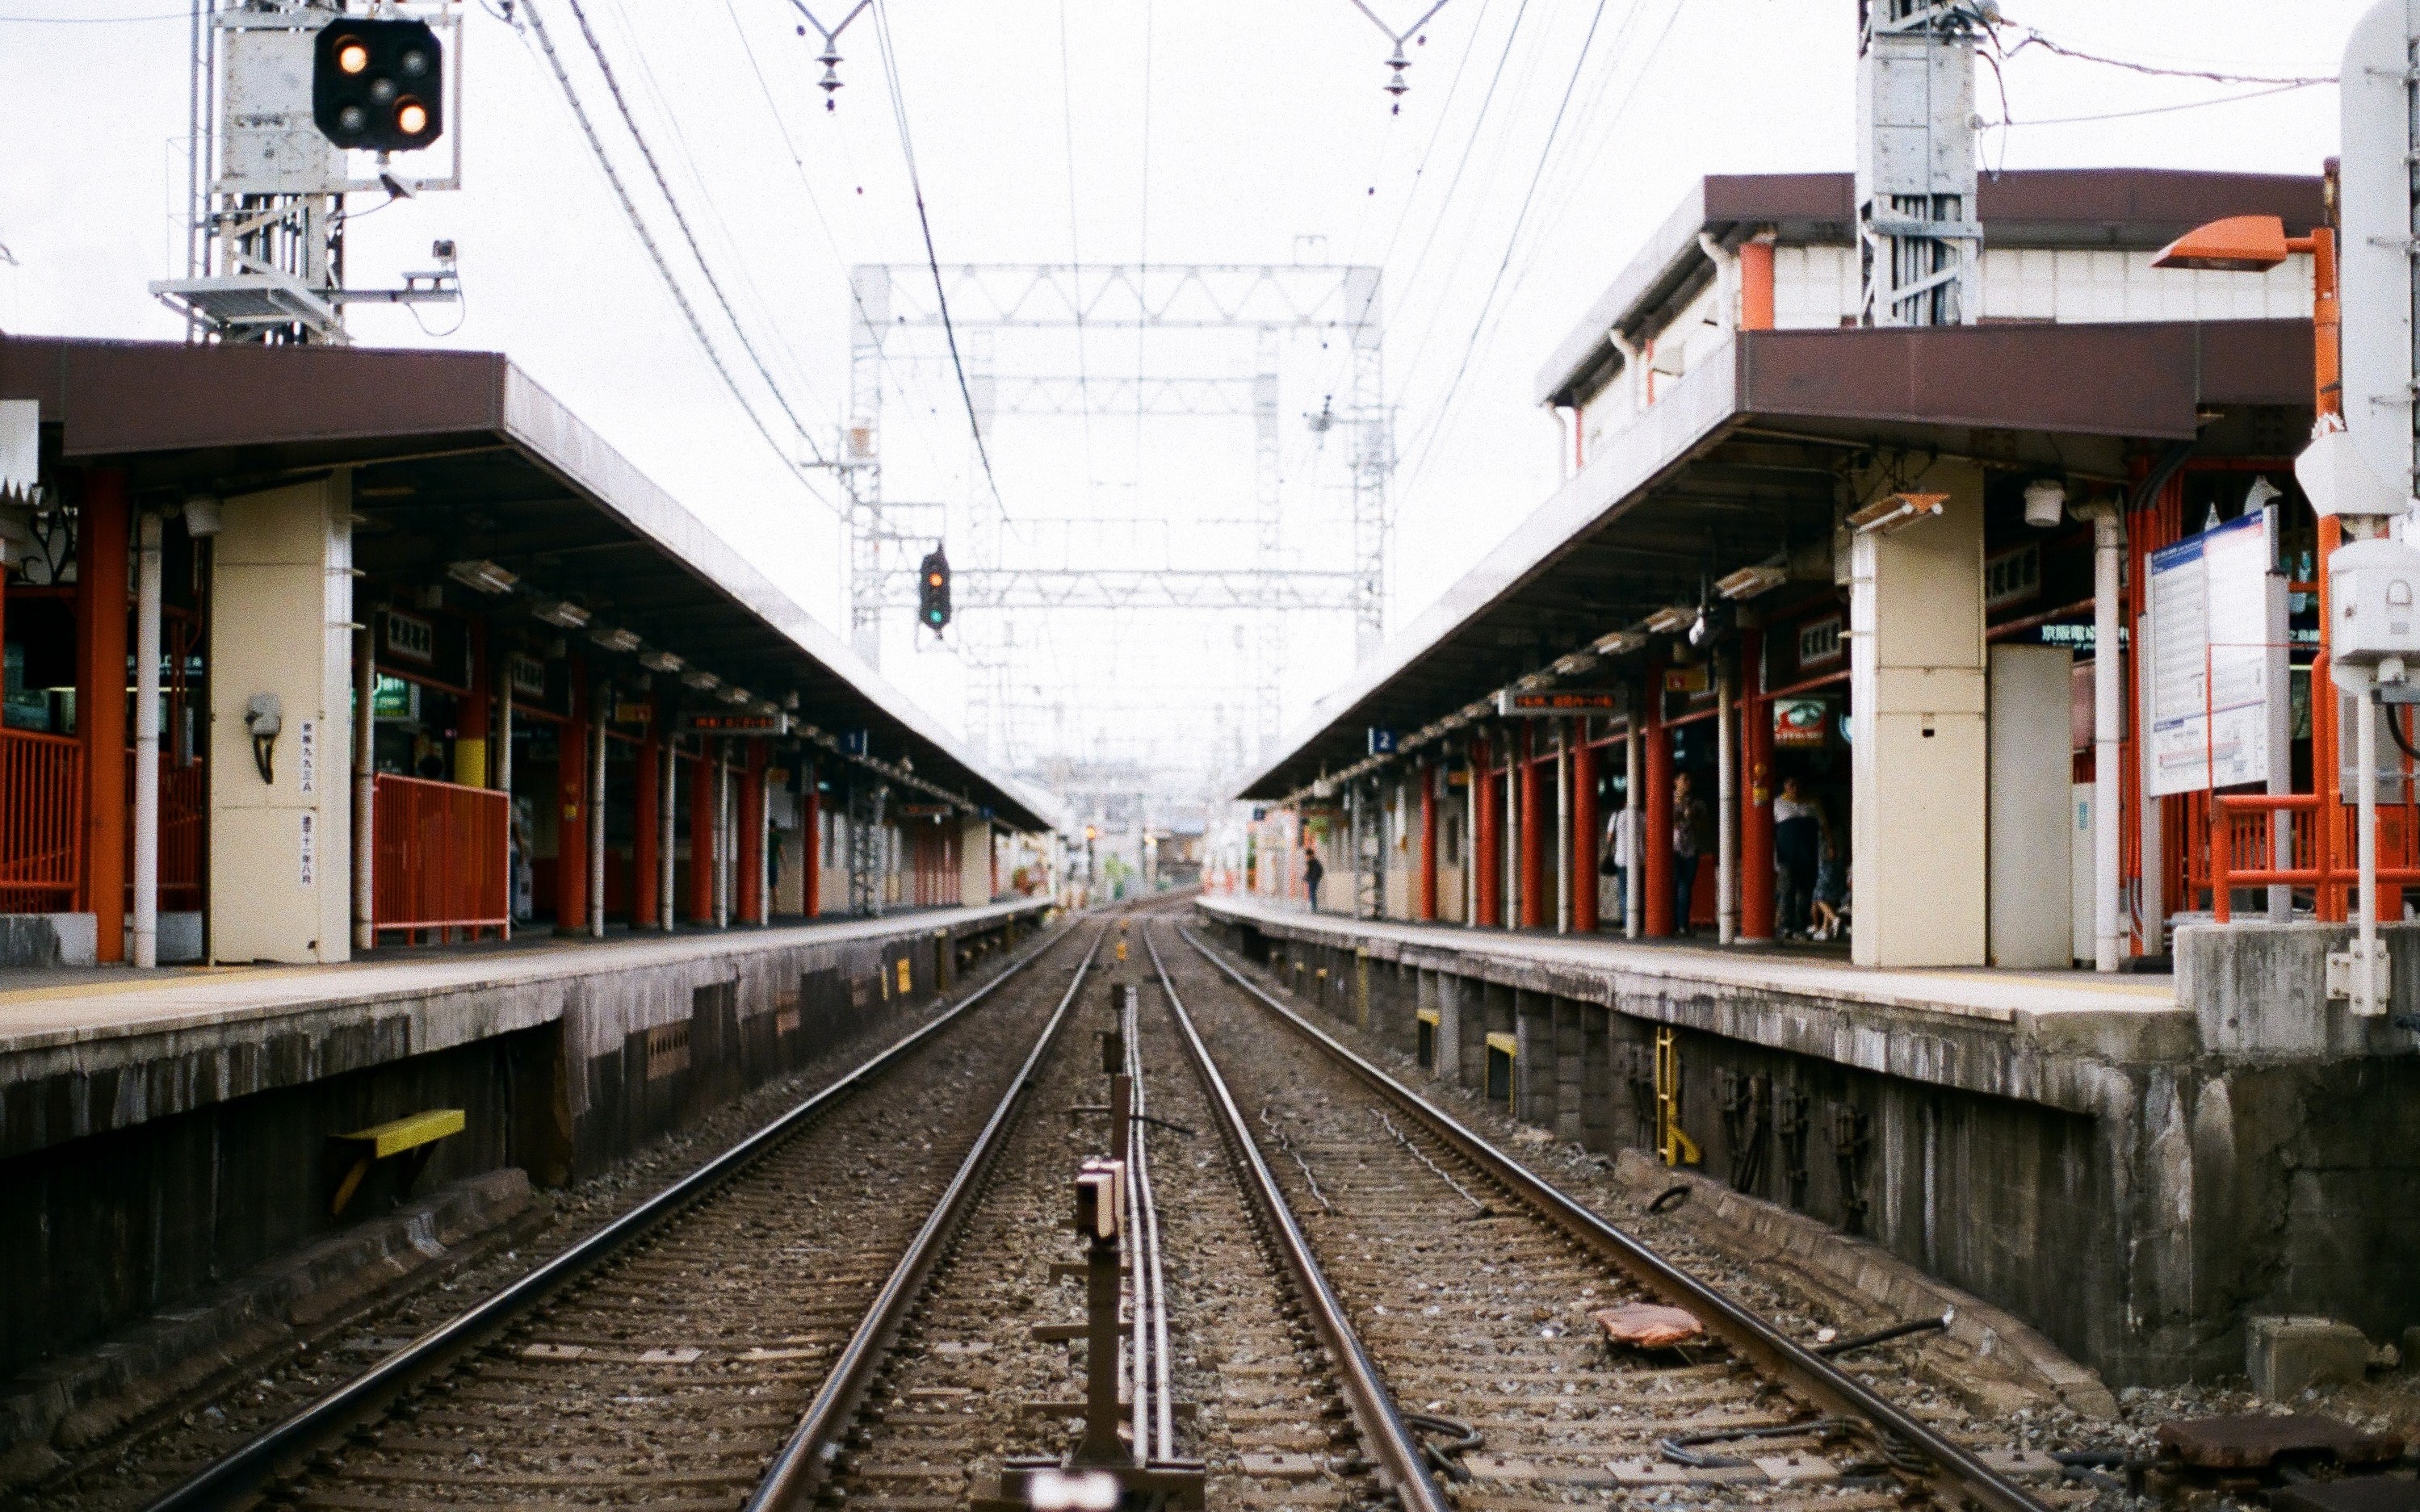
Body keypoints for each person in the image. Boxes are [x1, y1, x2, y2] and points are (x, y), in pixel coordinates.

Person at [1772, 776, 1822, 939]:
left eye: (1798, 784)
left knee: (1805, 892)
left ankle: (1801, 927)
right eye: (1791, 784)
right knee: (1787, 890)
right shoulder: (1778, 804)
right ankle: (1786, 925)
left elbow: (1824, 826)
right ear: (1785, 786)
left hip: (1808, 855)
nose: (1795, 788)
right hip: (1786, 856)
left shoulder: (1812, 804)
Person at [1671, 771, 1709, 936]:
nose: (1688, 783)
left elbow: (1703, 825)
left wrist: (1692, 816)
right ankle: (1675, 922)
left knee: (1686, 886)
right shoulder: (1667, 800)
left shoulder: (1696, 803)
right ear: (1676, 781)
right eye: (1684, 779)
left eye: (1689, 780)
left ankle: (1683, 923)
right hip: (1673, 848)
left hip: (1690, 849)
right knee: (1675, 885)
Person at [1810, 836, 1847, 942]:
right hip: (1837, 885)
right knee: (1828, 902)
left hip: (1826, 881)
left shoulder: (1825, 864)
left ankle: (1833, 920)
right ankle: (1825, 929)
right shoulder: (1839, 863)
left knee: (1819, 900)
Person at [1303, 847, 1325, 912]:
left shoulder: (1309, 861)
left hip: (1312, 879)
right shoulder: (1316, 861)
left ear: (1309, 855)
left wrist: (1305, 877)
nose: (1306, 856)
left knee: (1312, 893)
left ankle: (1313, 908)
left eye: (1307, 855)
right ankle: (1314, 907)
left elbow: (1307, 870)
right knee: (1313, 893)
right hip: (1316, 879)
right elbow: (1321, 869)